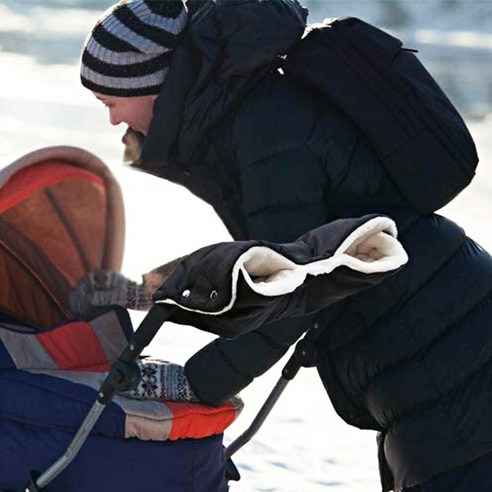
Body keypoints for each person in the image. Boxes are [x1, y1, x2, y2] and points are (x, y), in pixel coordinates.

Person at [72, 1, 492, 491]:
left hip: (445, 357)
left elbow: (295, 287)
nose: (112, 121)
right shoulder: (246, 116)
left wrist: (197, 382)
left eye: (111, 103)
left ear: (152, 85)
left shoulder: (266, 129)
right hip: (424, 342)